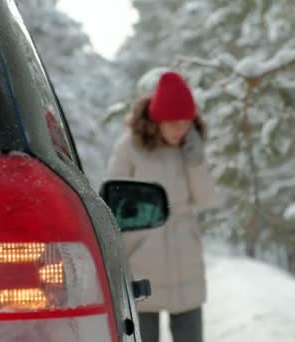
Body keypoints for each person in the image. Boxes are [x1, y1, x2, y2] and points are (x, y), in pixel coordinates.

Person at [108, 71, 216, 342]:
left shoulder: (191, 147)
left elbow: (206, 200)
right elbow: (113, 198)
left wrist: (195, 161)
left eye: (186, 123)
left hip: (185, 259)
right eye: (174, 123)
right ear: (158, 120)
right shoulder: (130, 147)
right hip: (142, 260)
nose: (181, 129)